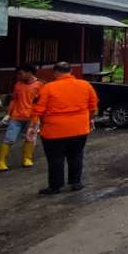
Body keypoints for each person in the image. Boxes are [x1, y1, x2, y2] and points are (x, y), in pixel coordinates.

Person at [28, 62, 98, 195]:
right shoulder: (85, 85)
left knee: (55, 159)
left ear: (55, 72)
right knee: (76, 155)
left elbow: (38, 109)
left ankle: (55, 186)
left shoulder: (48, 88)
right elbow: (93, 106)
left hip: (54, 131)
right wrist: (89, 119)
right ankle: (76, 182)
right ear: (71, 71)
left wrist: (33, 126)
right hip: (79, 128)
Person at [0, 64, 42, 171]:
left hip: (32, 117)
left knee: (30, 138)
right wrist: (8, 114)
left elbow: (42, 102)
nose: (19, 76)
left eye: (21, 73)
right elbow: (14, 100)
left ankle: (27, 159)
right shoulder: (18, 85)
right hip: (17, 117)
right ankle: (1, 161)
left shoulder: (40, 85)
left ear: (29, 73)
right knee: (9, 138)